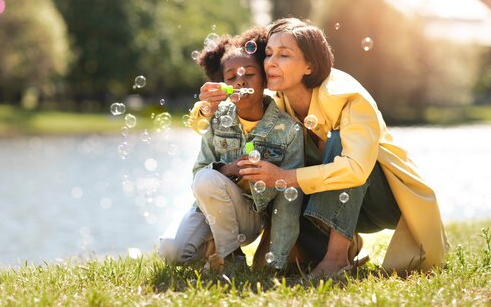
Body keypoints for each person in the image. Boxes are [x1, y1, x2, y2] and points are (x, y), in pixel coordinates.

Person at [197, 17, 449, 279]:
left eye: (284, 55)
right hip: (337, 205)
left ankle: (336, 259)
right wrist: (208, 108)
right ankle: (343, 243)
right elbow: (239, 107)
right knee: (267, 265)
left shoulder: (349, 98)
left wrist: (283, 178)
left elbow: (355, 170)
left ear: (309, 66)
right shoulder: (278, 100)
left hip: (383, 201)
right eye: (269, 53)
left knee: (338, 142)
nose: (271, 61)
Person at [158, 27, 305, 272]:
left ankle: (231, 260)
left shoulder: (288, 130)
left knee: (208, 180)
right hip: (210, 208)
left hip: (249, 217)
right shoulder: (216, 119)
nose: (240, 81)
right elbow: (199, 173)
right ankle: (215, 251)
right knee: (171, 252)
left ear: (264, 80)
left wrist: (275, 262)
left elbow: (288, 201)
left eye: (249, 74)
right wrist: (229, 169)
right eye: (231, 78)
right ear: (224, 85)